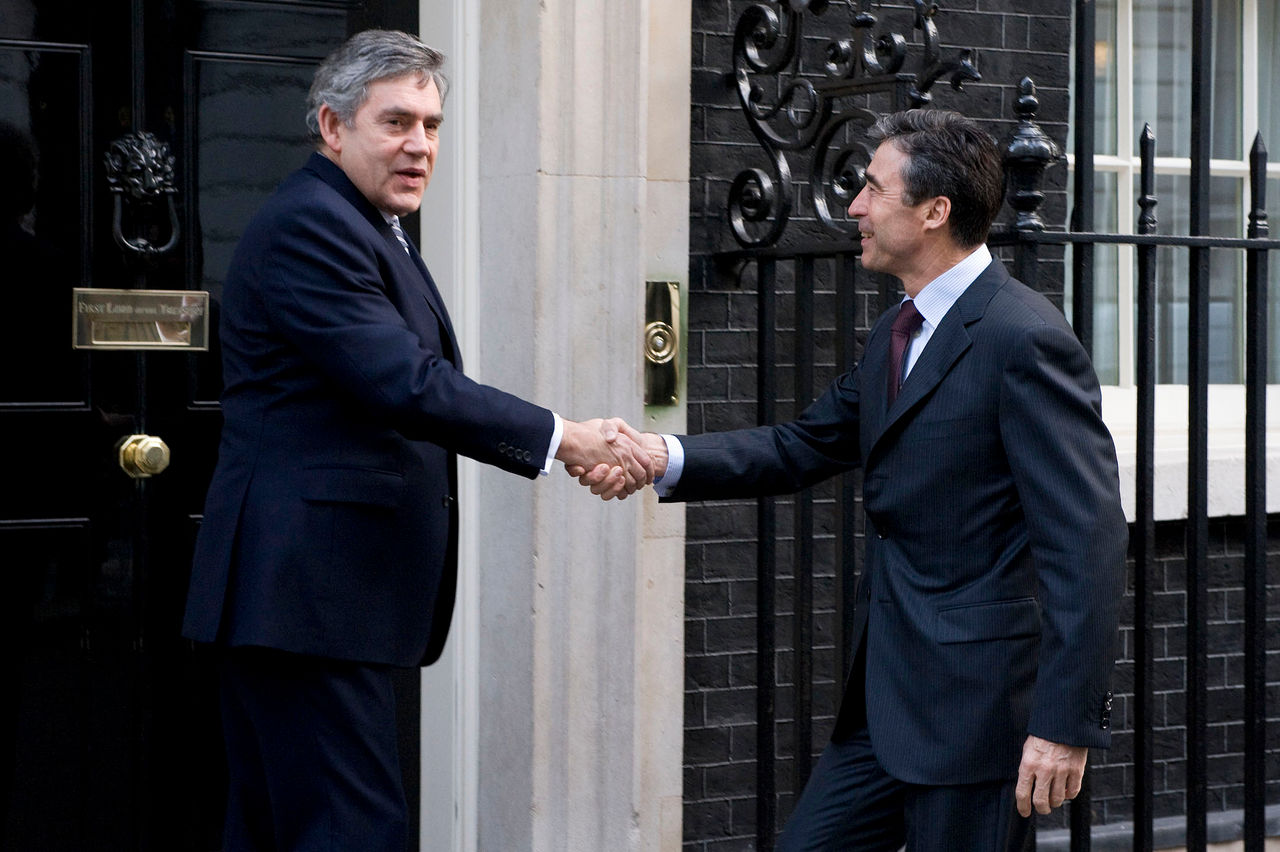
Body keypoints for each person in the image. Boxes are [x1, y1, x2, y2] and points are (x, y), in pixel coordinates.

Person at [580, 109, 1128, 849]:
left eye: (873, 189)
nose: (855, 208)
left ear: (935, 211)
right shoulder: (898, 332)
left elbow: (1085, 543)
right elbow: (799, 446)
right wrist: (657, 455)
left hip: (975, 718)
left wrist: (1062, 726)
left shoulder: (1022, 339)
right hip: (884, 708)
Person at [183, 29, 652, 851]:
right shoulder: (314, 226)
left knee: (277, 828)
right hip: (305, 597)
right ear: (332, 126)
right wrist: (565, 438)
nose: (420, 146)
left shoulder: (366, 223)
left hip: (315, 600)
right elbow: (405, 383)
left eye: (432, 125)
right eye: (396, 122)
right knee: (349, 830)